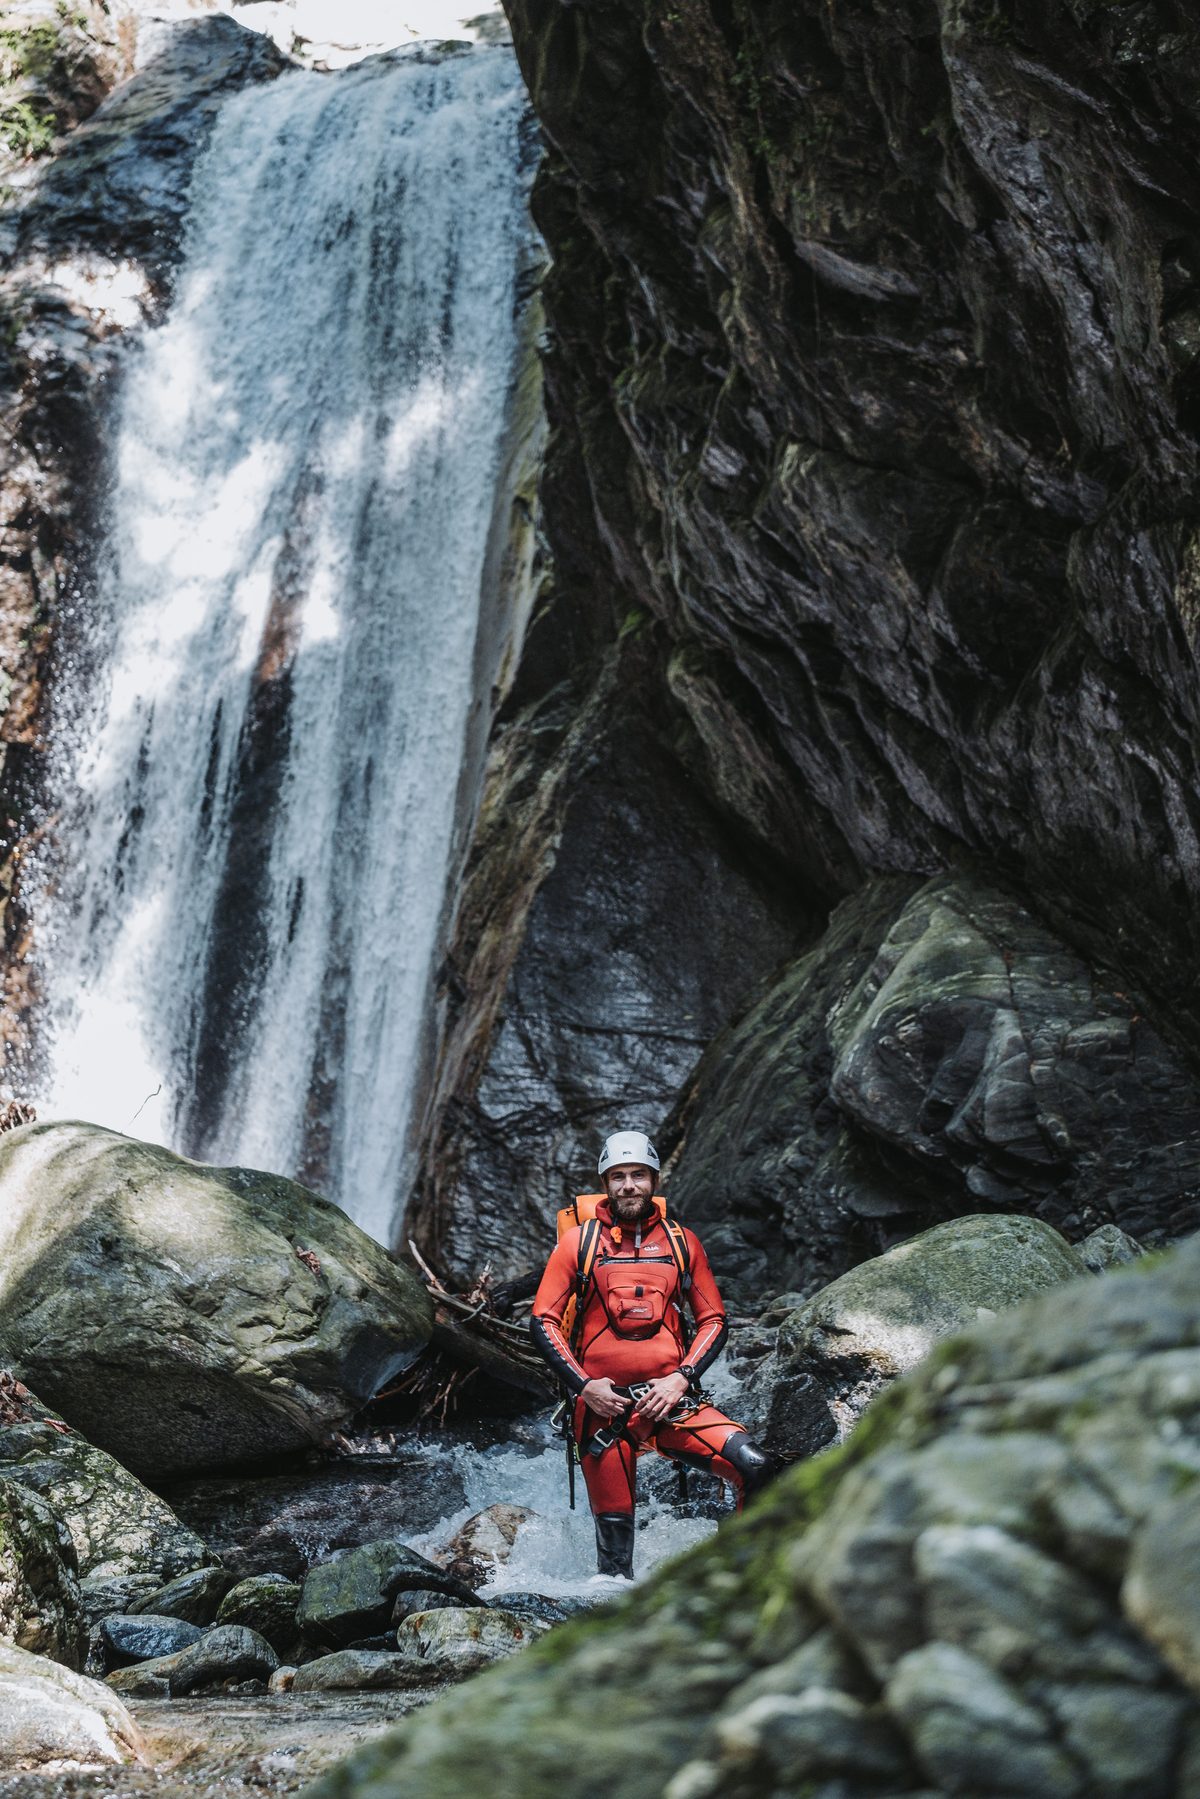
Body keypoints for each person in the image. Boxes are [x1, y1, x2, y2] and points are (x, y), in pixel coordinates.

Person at [530, 1128, 776, 1579]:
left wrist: (680, 1377)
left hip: (671, 1402)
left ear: (654, 1180)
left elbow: (714, 1320)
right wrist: (585, 1388)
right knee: (615, 1565)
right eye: (618, 1176)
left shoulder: (683, 1243)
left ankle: (744, 1584)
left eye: (638, 1175)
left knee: (755, 1467)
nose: (628, 1185)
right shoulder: (578, 1245)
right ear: (605, 1183)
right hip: (606, 1412)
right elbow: (543, 1320)